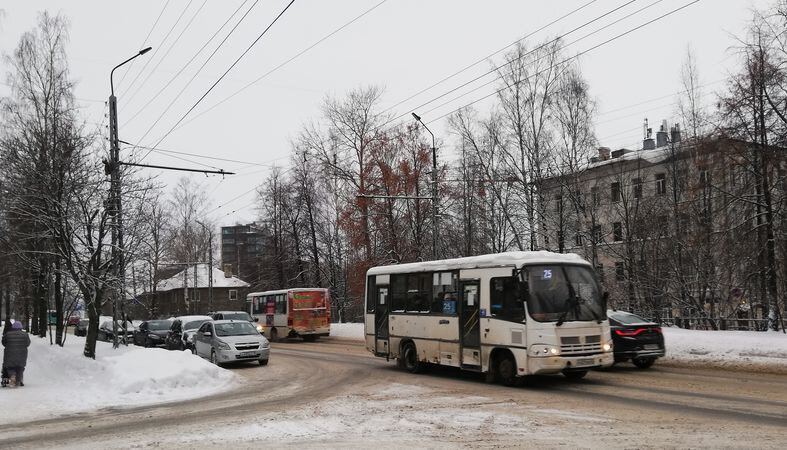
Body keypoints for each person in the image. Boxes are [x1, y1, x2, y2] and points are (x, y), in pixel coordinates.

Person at [2, 320, 30, 387]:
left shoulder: (7, 334)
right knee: (20, 368)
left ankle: (12, 376)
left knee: (10, 367)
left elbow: (3, 343)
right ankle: (18, 381)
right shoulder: (25, 335)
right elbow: (28, 343)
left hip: (9, 354)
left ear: (13, 327)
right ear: (20, 327)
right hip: (22, 355)